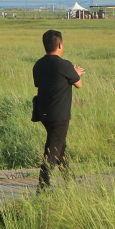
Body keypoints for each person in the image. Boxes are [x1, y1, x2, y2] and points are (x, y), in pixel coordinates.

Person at [32, 29, 85, 188]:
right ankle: (43, 186)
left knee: (59, 145)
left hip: (43, 112)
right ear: (60, 45)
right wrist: (76, 73)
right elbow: (79, 84)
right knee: (53, 150)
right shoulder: (64, 64)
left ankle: (69, 178)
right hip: (59, 114)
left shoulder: (38, 64)